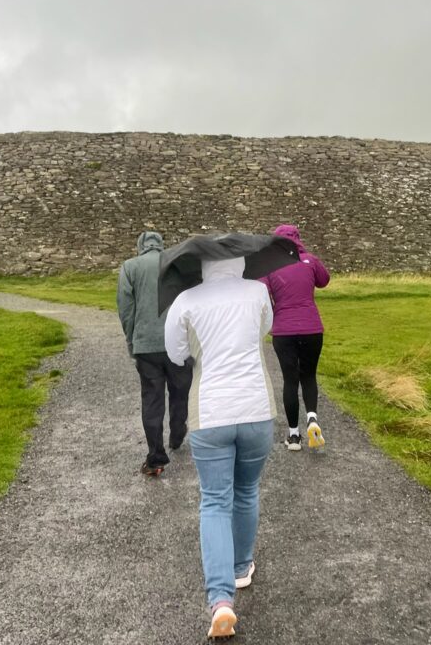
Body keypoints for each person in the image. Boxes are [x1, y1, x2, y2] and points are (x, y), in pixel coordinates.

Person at [165, 256, 276, 640]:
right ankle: (241, 567)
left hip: (210, 411)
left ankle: (220, 600)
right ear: (241, 261)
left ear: (204, 264)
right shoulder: (258, 290)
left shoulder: (187, 299)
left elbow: (175, 352)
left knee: (215, 500)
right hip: (256, 408)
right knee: (246, 490)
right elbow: (266, 328)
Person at [117, 231, 192, 476]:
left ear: (140, 246)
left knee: (152, 398)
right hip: (178, 342)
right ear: (161, 246)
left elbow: (126, 308)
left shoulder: (130, 267)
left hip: (146, 344)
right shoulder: (176, 265)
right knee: (180, 391)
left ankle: (156, 456)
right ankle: (178, 434)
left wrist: (132, 339)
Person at [261, 224, 330, 451]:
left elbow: (261, 293)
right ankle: (312, 418)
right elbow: (324, 280)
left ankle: (293, 436)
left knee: (290, 380)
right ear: (298, 239)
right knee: (308, 376)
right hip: (312, 328)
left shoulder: (270, 266)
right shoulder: (309, 260)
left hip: (284, 330)